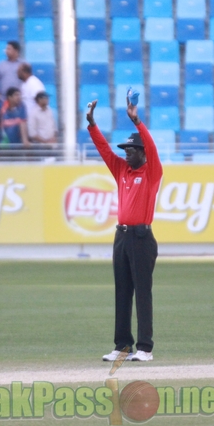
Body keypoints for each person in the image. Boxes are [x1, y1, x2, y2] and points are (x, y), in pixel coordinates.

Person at [87, 96, 163, 363]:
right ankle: (122, 347)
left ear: (142, 152)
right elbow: (105, 151)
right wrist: (92, 125)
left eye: (131, 150)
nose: (125, 153)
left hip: (142, 237)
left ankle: (145, 348)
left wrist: (137, 121)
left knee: (142, 292)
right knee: (122, 291)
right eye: (125, 150)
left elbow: (152, 147)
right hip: (121, 236)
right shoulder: (122, 170)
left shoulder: (152, 171)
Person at [0, 87, 29, 160]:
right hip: (3, 144)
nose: (19, 97)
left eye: (19, 95)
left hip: (17, 145)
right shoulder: (0, 108)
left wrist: (25, 139)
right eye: (16, 95)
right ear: (9, 97)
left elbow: (22, 123)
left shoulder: (22, 107)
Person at [28, 91, 58, 156]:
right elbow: (32, 133)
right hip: (40, 147)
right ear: (39, 100)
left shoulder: (49, 110)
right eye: (46, 98)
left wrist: (54, 138)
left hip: (52, 146)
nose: (47, 100)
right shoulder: (33, 113)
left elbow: (54, 126)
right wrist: (45, 142)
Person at [17, 62, 45, 132]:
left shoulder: (34, 83)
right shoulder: (24, 84)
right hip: (26, 122)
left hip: (35, 124)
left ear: (24, 72)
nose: (17, 74)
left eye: (19, 72)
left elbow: (42, 102)